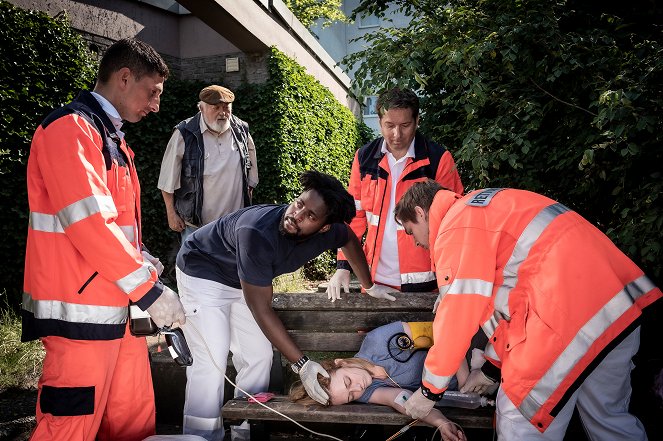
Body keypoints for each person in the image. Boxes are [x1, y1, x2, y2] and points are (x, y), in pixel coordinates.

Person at [394, 180, 662, 440]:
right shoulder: (489, 206)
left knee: (518, 423)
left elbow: (457, 315)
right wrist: (491, 369)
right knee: (609, 419)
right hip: (614, 310)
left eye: (410, 231)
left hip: (564, 323)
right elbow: (516, 301)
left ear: (420, 212)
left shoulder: (455, 225)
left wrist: (430, 391)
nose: (416, 243)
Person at [22, 38, 186, 441]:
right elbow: (90, 224)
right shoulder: (71, 129)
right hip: (80, 317)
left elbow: (112, 225)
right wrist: (150, 290)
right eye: (153, 93)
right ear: (124, 78)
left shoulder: (108, 137)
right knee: (70, 428)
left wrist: (142, 256)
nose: (156, 106)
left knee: (131, 420)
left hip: (114, 311)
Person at [175, 170, 393, 440]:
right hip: (202, 271)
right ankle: (200, 435)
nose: (296, 215)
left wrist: (368, 285)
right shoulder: (257, 232)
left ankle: (245, 429)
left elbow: (348, 239)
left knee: (259, 356)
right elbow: (261, 309)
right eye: (299, 203)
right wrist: (303, 364)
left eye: (310, 216)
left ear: (324, 226)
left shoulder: (331, 232)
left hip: (244, 280)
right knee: (212, 359)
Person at [326, 87, 464, 302]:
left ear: (417, 121)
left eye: (405, 125)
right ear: (380, 121)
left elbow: (453, 225)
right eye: (389, 126)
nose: (396, 135)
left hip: (426, 282)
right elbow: (353, 217)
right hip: (375, 281)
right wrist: (343, 265)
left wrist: (449, 280)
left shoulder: (438, 159)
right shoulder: (364, 158)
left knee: (421, 337)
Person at [289, 321, 471, 441]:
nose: (358, 387)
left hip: (472, 356)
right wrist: (442, 423)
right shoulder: (366, 392)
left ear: (341, 363)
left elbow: (448, 330)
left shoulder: (379, 341)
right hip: (472, 392)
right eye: (351, 395)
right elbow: (402, 399)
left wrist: (465, 382)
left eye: (347, 381)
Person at [158, 85, 258, 242]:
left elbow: (250, 180)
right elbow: (167, 180)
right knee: (195, 266)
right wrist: (171, 214)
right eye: (216, 107)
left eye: (226, 107)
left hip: (233, 227)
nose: (222, 113)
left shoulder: (241, 131)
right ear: (201, 108)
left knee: (231, 267)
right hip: (196, 228)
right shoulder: (185, 133)